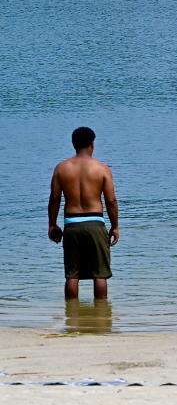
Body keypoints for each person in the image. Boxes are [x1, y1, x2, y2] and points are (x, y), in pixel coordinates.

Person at [47, 126, 119, 300]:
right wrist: (115, 226)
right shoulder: (102, 169)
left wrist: (52, 224)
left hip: (71, 225)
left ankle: (71, 316)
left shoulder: (61, 168)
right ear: (92, 144)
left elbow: (54, 199)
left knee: (72, 275)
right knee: (100, 274)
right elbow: (110, 201)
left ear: (73, 144)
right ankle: (101, 316)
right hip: (95, 222)